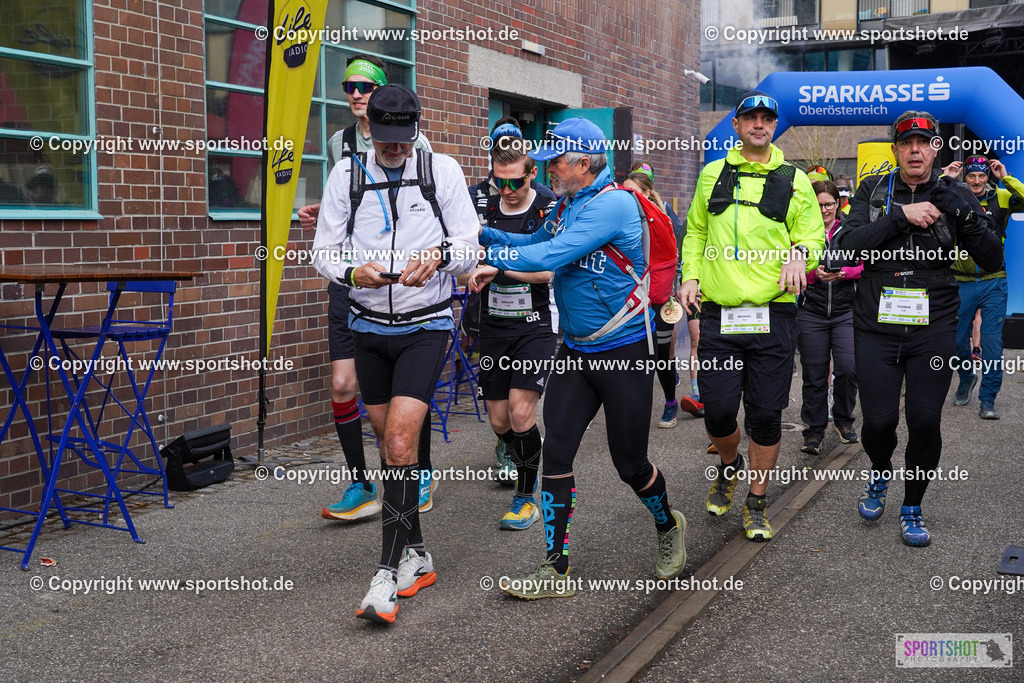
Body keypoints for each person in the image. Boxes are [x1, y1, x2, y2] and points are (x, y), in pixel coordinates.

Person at [473, 117, 687, 598]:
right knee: (558, 453)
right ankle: (555, 566)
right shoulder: (568, 203)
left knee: (629, 463)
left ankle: (668, 524)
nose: (549, 171)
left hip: (623, 351)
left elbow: (552, 255)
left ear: (584, 164)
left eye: (557, 163)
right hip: (574, 352)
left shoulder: (611, 205)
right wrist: (483, 235)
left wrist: (498, 262)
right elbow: (534, 242)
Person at [312, 84, 480, 622]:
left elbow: (470, 245)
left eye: (402, 141)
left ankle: (385, 576)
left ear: (414, 130)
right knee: (392, 448)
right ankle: (419, 556)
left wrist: (441, 257)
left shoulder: (442, 171)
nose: (394, 150)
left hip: (425, 326)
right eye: (385, 141)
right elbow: (323, 251)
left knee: (403, 440)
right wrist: (350, 272)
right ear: (370, 132)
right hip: (367, 326)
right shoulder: (347, 175)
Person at [836, 111, 1002, 546]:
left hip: (933, 322)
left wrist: (965, 216)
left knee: (925, 420)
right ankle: (879, 472)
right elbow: (843, 249)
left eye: (923, 142)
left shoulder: (956, 192)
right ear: (895, 149)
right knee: (878, 422)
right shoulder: (873, 190)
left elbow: (992, 259)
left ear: (934, 149)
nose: (915, 150)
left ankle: (913, 505)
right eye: (907, 142)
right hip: (876, 322)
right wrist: (900, 217)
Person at [680, 90, 822, 542]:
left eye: (767, 118)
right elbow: (697, 232)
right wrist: (689, 277)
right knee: (719, 412)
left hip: (774, 314)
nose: (759, 124)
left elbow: (812, 235)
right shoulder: (712, 175)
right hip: (721, 315)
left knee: (764, 415)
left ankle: (757, 499)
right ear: (737, 126)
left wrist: (801, 254)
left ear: (774, 126)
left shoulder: (794, 179)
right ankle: (728, 465)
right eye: (750, 118)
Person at [298, 55, 437, 521]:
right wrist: (323, 217)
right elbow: (346, 206)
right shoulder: (339, 144)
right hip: (353, 277)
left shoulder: (419, 147)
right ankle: (362, 482)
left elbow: (429, 211)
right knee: (342, 385)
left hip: (407, 290)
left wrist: (437, 257)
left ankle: (418, 471)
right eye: (348, 86)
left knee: (406, 399)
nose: (356, 93)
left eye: (365, 86)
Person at [465, 136, 557, 529]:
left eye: (515, 182)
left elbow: (550, 269)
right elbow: (466, 251)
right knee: (500, 420)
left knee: (521, 413)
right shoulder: (481, 206)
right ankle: (519, 454)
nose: (506, 190)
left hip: (535, 327)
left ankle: (525, 496)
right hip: (494, 327)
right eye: (498, 181)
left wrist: (500, 268)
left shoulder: (548, 206)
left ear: (532, 174)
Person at [622, 163, 700, 427]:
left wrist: (664, 291)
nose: (630, 197)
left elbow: (670, 258)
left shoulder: (663, 217)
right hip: (631, 301)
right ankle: (633, 409)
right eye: (626, 192)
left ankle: (670, 403)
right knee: (635, 357)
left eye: (635, 193)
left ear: (647, 192)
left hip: (658, 299)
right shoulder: (620, 217)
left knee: (662, 357)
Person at [949, 155, 1024, 419]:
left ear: (988, 177)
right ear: (965, 177)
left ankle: (988, 399)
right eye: (972, 176)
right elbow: (927, 198)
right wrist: (945, 177)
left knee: (992, 343)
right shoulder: (953, 197)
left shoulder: (1001, 197)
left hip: (994, 279)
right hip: (961, 281)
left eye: (982, 176)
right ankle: (966, 378)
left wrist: (1006, 177)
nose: (977, 181)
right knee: (957, 341)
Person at [797, 180, 862, 455]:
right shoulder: (801, 230)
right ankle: (813, 431)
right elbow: (788, 266)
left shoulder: (851, 229)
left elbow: (867, 262)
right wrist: (814, 276)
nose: (824, 209)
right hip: (811, 310)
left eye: (829, 204)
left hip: (846, 310)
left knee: (848, 368)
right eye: (819, 204)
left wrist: (847, 272)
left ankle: (844, 419)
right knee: (814, 374)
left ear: (839, 203)